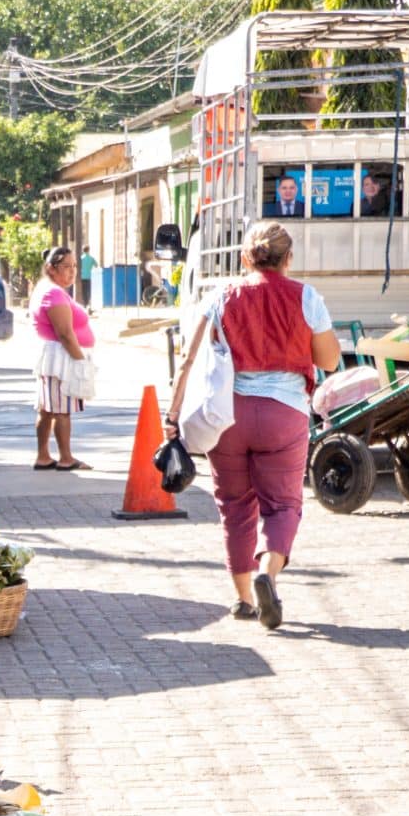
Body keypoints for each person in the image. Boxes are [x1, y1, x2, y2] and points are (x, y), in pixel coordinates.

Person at [165, 220, 339, 629]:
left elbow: (189, 360)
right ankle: (269, 572)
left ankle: (243, 599)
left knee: (234, 507)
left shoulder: (222, 295)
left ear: (246, 257)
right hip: (284, 415)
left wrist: (172, 418)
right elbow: (329, 361)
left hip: (228, 416)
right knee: (283, 505)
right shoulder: (306, 297)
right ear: (288, 259)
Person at [30, 244, 96, 472]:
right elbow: (65, 333)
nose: (72, 271)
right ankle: (66, 458)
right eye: (66, 267)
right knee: (61, 411)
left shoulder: (48, 289)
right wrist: (81, 361)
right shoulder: (53, 293)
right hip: (61, 358)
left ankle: (44, 456)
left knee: (48, 409)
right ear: (51, 268)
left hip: (52, 357)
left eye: (74, 266)